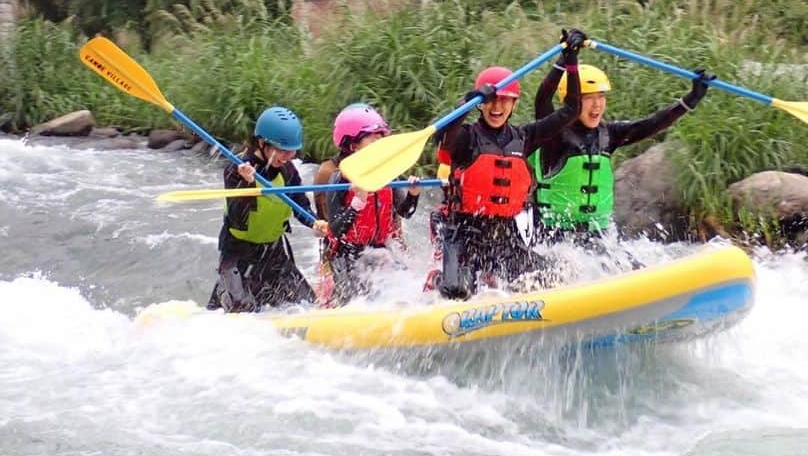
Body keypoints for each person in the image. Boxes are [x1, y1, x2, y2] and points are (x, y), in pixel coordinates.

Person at [433, 29, 587, 300]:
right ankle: (436, 282)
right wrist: (465, 104)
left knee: (555, 278)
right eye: (490, 100)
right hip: (464, 237)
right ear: (481, 105)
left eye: (505, 100)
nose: (496, 107)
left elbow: (571, 110)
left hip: (504, 238)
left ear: (514, 103)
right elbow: (442, 137)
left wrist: (570, 61)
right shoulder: (466, 138)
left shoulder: (525, 138)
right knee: (456, 291)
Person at [531, 60, 714, 242]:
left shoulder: (608, 134)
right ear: (570, 101)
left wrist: (690, 100)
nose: (597, 105)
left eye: (601, 96)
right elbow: (543, 98)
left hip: (598, 238)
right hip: (554, 239)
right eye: (588, 98)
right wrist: (566, 59)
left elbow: (652, 123)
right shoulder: (553, 136)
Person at [207, 105, 329, 313]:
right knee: (242, 309)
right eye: (283, 150)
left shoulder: (288, 171)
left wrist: (313, 222)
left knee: (307, 305)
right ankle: (224, 296)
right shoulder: (236, 171)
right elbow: (238, 219)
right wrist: (246, 185)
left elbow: (299, 202)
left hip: (274, 254)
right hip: (238, 254)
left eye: (292, 150)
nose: (289, 155)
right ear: (262, 143)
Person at [316, 103, 421, 305]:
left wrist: (413, 195)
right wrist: (357, 203)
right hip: (347, 256)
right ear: (354, 146)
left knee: (411, 294)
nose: (380, 140)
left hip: (379, 251)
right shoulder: (339, 179)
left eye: (382, 135)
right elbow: (336, 229)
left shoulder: (389, 173)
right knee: (357, 303)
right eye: (373, 136)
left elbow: (405, 212)